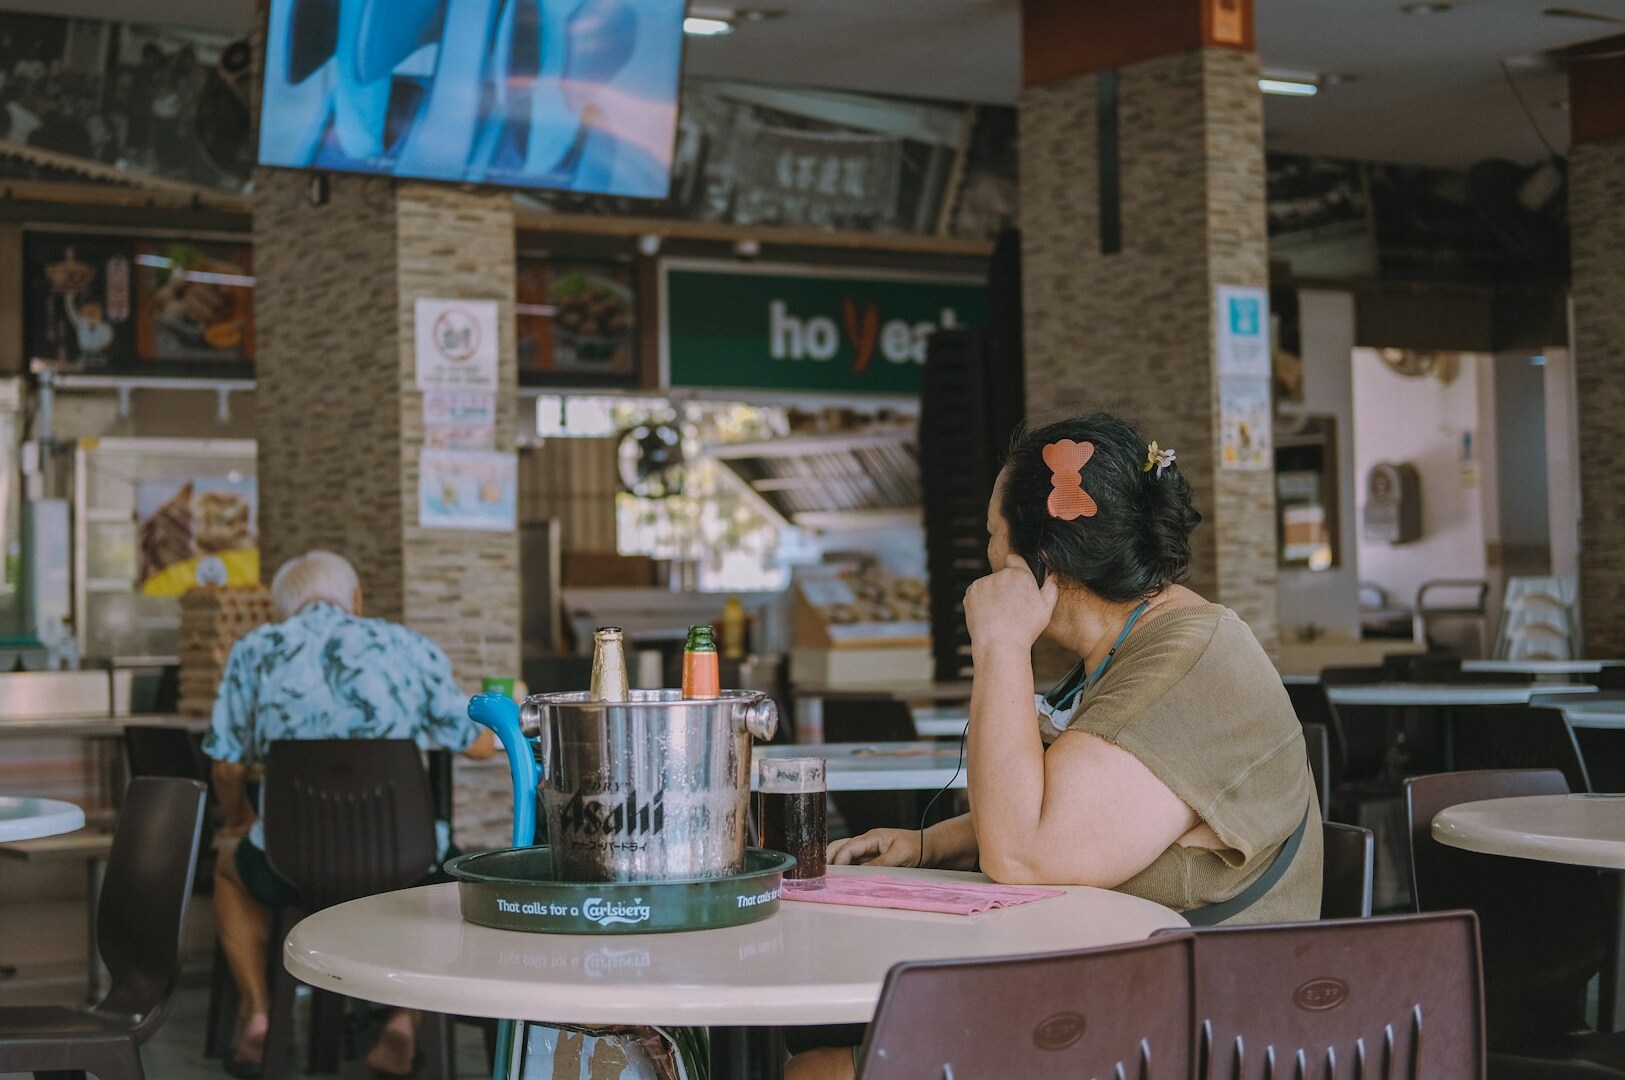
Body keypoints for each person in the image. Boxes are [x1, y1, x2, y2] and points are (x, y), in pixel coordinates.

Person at [788, 413, 1322, 1080]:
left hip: (1197, 1034)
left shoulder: (1186, 660)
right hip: (1124, 1002)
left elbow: (1025, 854)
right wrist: (932, 844)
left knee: (815, 1072)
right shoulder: (1134, 645)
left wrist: (1001, 643)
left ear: (1037, 559)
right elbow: (1081, 807)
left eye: (992, 538)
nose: (986, 558)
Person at [204, 550, 497, 1078]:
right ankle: (403, 1023)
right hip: (406, 864)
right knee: (454, 891)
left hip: (288, 866)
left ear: (281, 611)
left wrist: (238, 820)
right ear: (356, 601)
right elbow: (478, 745)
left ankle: (258, 1013)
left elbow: (225, 767)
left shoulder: (255, 651)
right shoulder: (406, 646)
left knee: (228, 867)